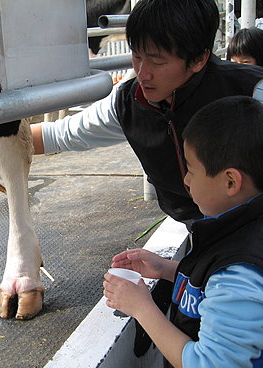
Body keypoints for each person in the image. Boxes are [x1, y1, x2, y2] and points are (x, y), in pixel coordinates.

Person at [31, 0, 263, 227]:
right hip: (194, 228)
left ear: (199, 59)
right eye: (137, 56)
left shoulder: (252, 93)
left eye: (157, 61)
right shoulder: (129, 102)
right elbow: (62, 134)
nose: (142, 73)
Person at [103, 96, 263, 368]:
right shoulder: (240, 229)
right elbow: (215, 289)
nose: (186, 180)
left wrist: (142, 307)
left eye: (190, 169)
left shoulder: (240, 270)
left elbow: (210, 367)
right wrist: (169, 270)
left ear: (230, 182)